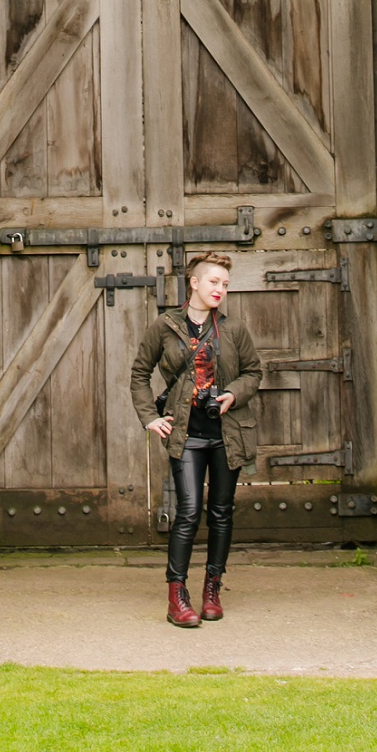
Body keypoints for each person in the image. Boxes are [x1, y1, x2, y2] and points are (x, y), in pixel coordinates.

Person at [129, 251, 262, 627]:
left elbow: (254, 371)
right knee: (188, 512)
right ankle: (177, 596)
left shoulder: (233, 329)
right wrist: (150, 418)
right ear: (195, 283)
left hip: (228, 435)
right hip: (185, 435)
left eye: (225, 284)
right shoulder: (165, 326)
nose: (220, 289)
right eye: (214, 282)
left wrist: (234, 394)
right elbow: (139, 373)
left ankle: (212, 590)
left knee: (221, 513)